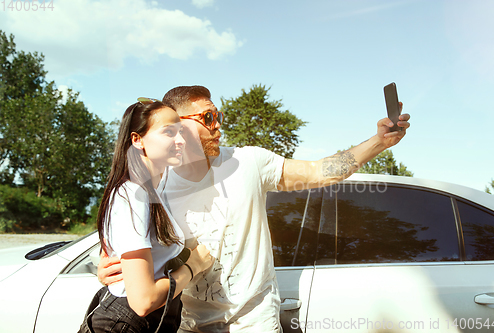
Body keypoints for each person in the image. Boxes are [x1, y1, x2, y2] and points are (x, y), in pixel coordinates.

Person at [98, 86, 411, 332]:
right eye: (207, 118)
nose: (218, 124)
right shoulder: (155, 186)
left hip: (253, 323)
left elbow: (320, 171)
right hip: (187, 325)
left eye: (217, 114)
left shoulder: (247, 162)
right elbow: (130, 259)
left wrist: (379, 143)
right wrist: (110, 273)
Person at [80, 98, 213, 333]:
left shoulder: (152, 191)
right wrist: (194, 265)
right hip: (127, 323)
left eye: (181, 132)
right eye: (169, 133)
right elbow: (143, 301)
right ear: (137, 140)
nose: (180, 140)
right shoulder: (133, 194)